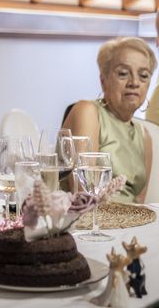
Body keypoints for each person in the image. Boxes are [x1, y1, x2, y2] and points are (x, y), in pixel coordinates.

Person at [63, 37, 156, 203]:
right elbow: (83, 193)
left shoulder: (145, 136)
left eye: (143, 75)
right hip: (88, 224)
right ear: (103, 80)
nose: (134, 82)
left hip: (129, 225)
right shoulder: (87, 111)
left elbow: (139, 203)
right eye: (123, 73)